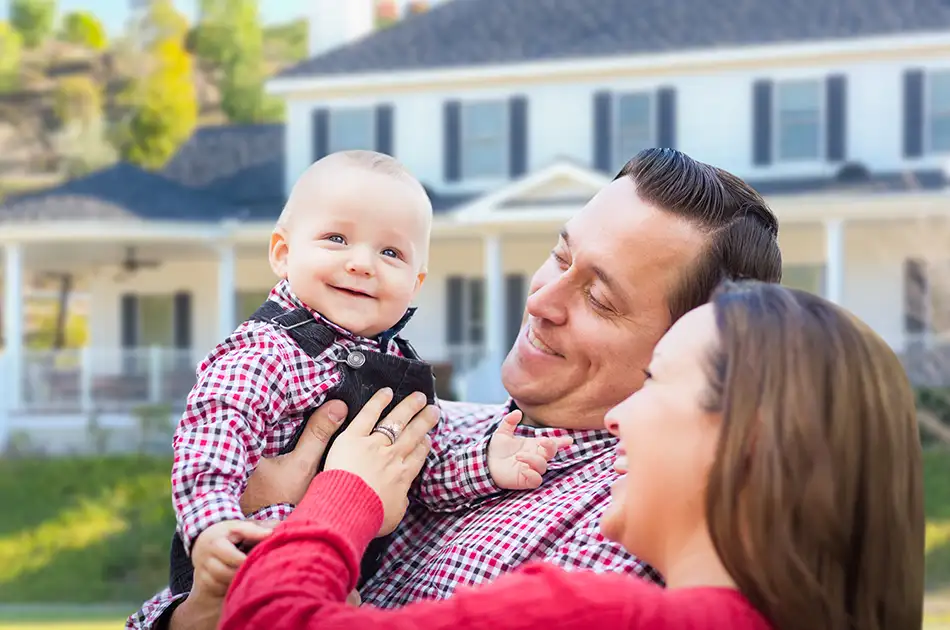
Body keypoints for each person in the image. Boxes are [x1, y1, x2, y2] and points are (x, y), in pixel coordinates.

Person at [127, 148, 784, 629]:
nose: (543, 301)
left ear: (694, 348)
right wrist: (196, 609)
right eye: (560, 257)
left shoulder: (625, 531)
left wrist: (333, 499)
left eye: (599, 298)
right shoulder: (435, 427)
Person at [219, 280, 926, 630]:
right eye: (560, 257)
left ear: (746, 438)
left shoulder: (597, 614)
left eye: (654, 381)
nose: (619, 418)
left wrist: (342, 491)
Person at [151, 150, 569, 619]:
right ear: (283, 253)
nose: (362, 263)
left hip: (332, 582)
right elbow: (212, 435)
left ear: (416, 283)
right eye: (336, 238)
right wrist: (211, 524)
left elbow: (418, 473)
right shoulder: (268, 352)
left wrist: (485, 463)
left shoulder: (399, 370)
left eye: (390, 252)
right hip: (243, 560)